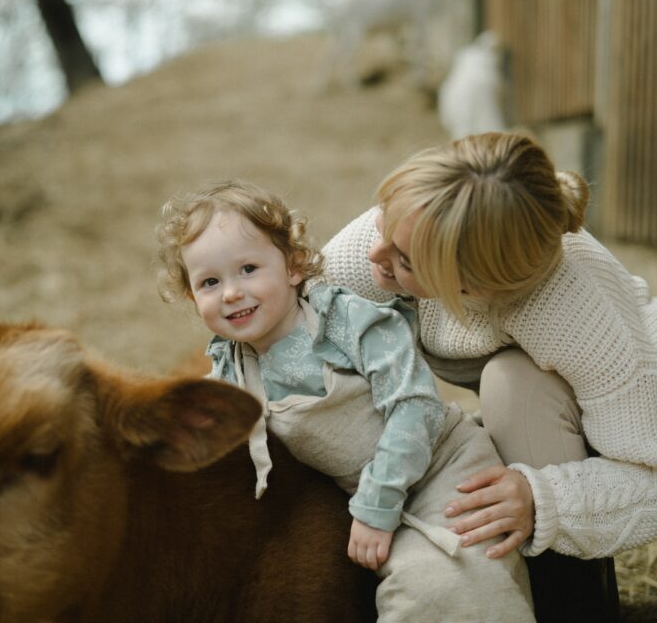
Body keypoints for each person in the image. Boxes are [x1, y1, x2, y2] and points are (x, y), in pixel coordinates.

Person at [321, 132, 657, 621]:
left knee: (514, 386)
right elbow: (309, 304)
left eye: (403, 262)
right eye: (382, 223)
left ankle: (571, 604)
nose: (375, 255)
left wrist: (542, 498)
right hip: (582, 410)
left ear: (473, 287)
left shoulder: (577, 313)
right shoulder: (416, 226)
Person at [156, 180, 534, 622]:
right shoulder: (231, 370)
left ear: (294, 267)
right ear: (192, 297)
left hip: (441, 469)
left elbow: (416, 407)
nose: (231, 293)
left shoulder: (345, 321)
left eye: (248, 269)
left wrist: (376, 507)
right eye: (210, 282)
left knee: (438, 587)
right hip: (365, 494)